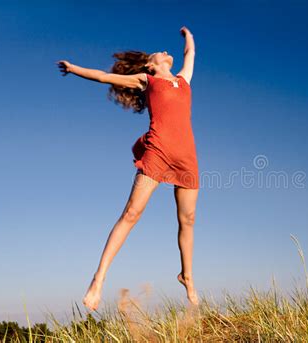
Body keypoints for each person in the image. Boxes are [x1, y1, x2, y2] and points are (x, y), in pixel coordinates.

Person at [56, 26, 200, 311]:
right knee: (131, 214)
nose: (165, 51)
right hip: (158, 153)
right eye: (160, 52)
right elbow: (104, 76)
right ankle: (98, 280)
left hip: (186, 157)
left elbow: (190, 53)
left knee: (188, 219)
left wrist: (188, 36)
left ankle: (187, 276)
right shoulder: (146, 80)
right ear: (151, 64)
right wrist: (73, 69)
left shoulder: (183, 80)